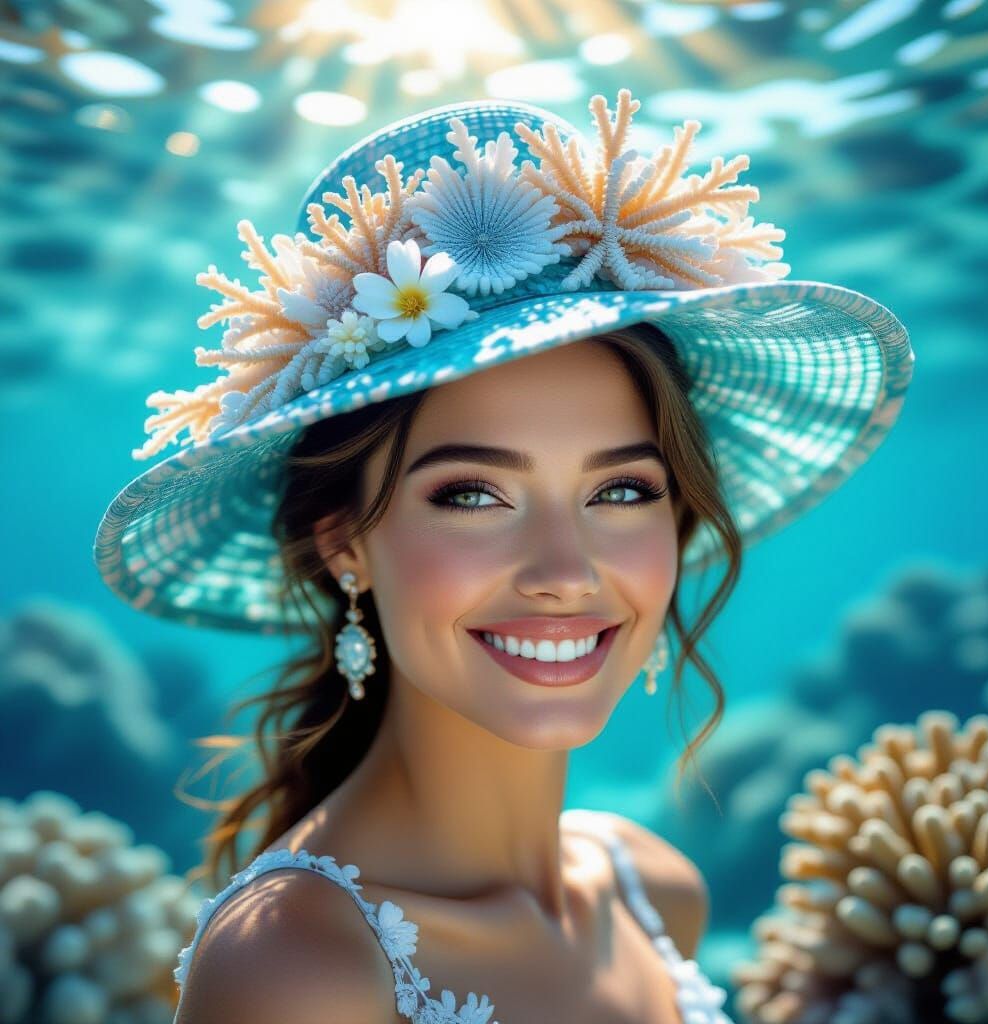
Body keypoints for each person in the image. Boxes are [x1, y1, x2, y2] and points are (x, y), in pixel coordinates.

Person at [93, 89, 914, 1023]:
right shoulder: (296, 967)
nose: (566, 569)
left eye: (621, 491)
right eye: (473, 496)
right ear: (343, 546)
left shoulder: (654, 891)